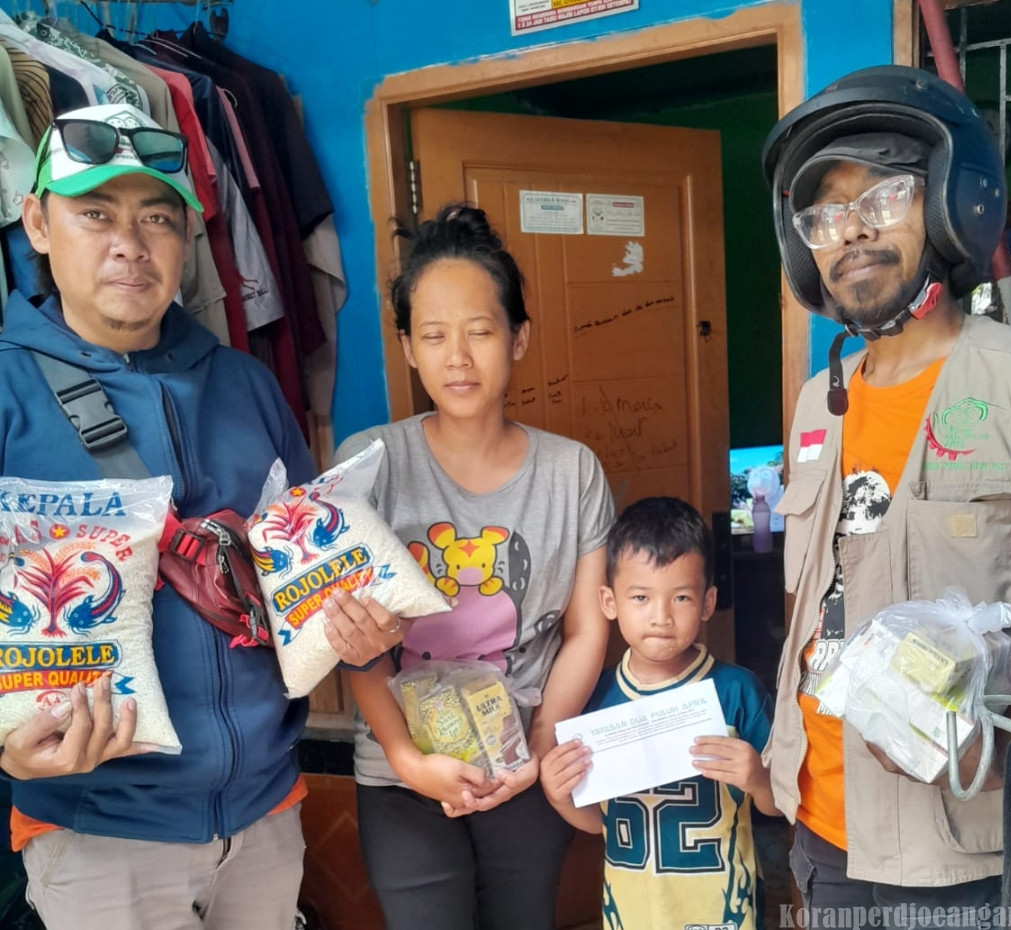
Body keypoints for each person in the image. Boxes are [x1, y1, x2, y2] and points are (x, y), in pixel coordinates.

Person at [0, 102, 399, 930]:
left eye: (157, 218)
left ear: (188, 242)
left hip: (264, 812)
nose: (129, 244)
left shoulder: (246, 385)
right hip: (99, 832)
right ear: (37, 222)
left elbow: (298, 559)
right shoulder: (8, 394)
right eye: (95, 213)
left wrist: (349, 620)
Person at [761, 65, 1011, 918]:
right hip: (821, 829)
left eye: (882, 197)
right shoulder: (814, 403)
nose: (850, 233)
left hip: (972, 848)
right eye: (823, 216)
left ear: (951, 201)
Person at [332, 203, 615, 930]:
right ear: (407, 347)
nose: (457, 356)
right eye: (434, 335)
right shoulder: (368, 466)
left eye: (481, 331)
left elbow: (587, 628)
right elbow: (353, 635)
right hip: (400, 772)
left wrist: (546, 739)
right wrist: (404, 756)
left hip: (526, 759)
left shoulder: (571, 472)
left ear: (518, 338)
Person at [539, 496, 776, 930]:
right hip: (633, 912)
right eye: (641, 597)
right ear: (609, 603)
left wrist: (760, 778)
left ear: (707, 603)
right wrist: (558, 795)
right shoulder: (595, 698)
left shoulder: (736, 691)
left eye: (681, 597)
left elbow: (782, 804)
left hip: (723, 911)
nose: (661, 617)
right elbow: (599, 824)